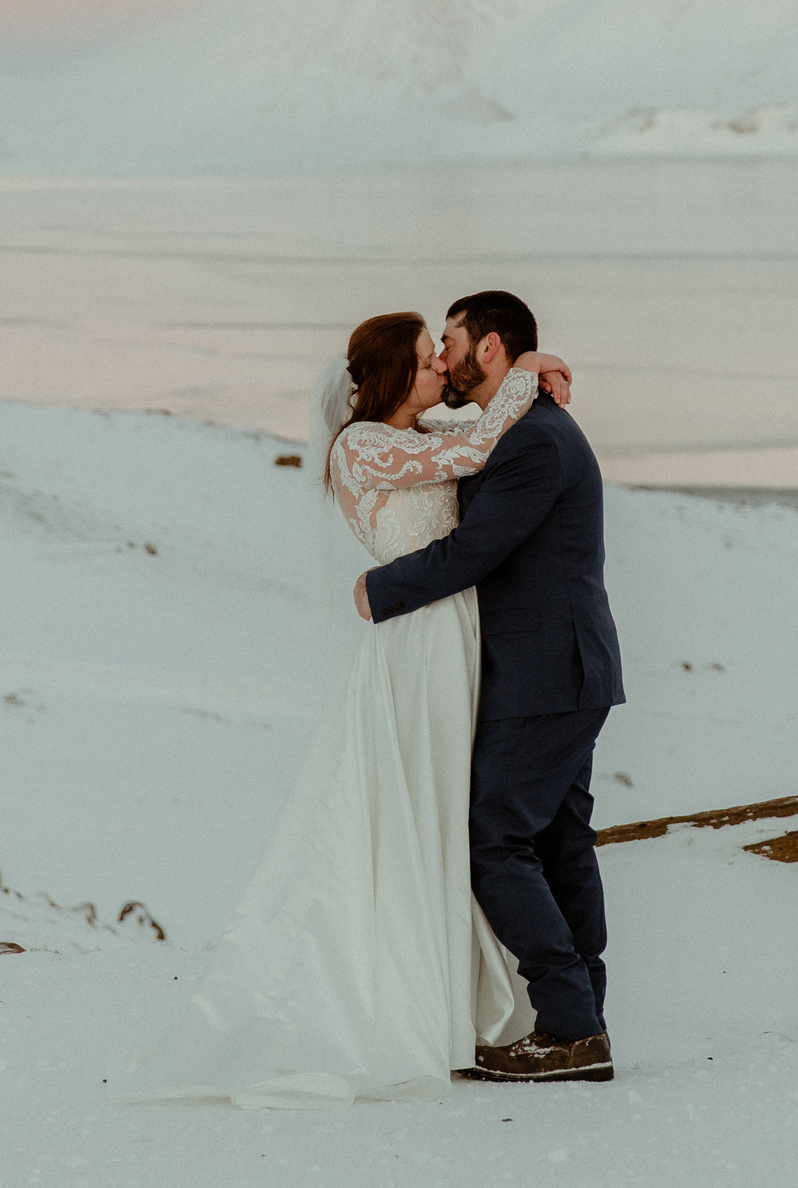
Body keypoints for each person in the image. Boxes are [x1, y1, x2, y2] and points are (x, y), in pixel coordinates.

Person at [111, 308, 573, 1106]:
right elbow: (473, 447)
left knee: (446, 809)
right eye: (429, 358)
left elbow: (469, 428)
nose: (441, 366)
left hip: (451, 634)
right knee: (424, 807)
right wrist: (528, 369)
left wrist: (526, 373)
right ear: (395, 373)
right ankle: (411, 1006)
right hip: (421, 643)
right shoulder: (362, 445)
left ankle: (452, 998)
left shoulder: (421, 427)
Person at [356, 290, 624, 1085]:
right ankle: (585, 1022)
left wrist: (381, 589)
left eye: (451, 342)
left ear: (490, 346)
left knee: (491, 838)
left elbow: (476, 550)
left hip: (548, 673)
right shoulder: (518, 424)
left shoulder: (536, 441)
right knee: (558, 841)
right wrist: (532, 372)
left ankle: (571, 1023)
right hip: (555, 672)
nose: (441, 357)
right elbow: (444, 447)